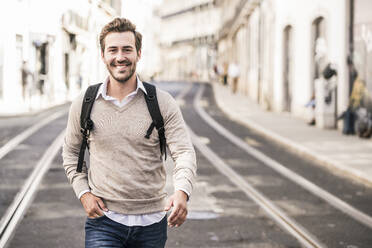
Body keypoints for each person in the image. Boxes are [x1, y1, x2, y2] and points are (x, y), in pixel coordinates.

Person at [62, 18, 197, 248]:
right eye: (112, 50)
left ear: (138, 53)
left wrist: (182, 191)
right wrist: (84, 193)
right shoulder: (84, 103)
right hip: (103, 222)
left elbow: (183, 151)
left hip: (152, 223)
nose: (120, 57)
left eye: (127, 49)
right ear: (103, 55)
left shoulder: (162, 102)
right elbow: (71, 153)